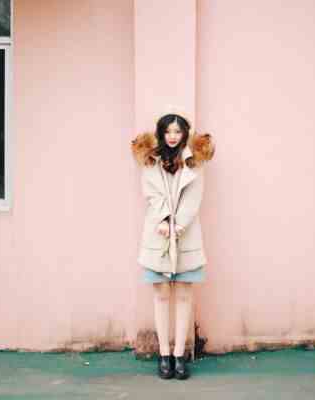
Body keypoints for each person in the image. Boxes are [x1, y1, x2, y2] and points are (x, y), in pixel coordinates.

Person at [131, 111, 215, 379]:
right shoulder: (150, 161)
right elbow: (151, 194)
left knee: (184, 295)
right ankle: (164, 354)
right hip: (158, 233)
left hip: (186, 234)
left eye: (178, 131)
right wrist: (164, 220)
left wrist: (179, 224)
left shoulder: (195, 161)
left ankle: (179, 355)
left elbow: (194, 197)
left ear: (185, 133)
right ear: (161, 133)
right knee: (161, 295)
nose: (172, 136)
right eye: (168, 131)